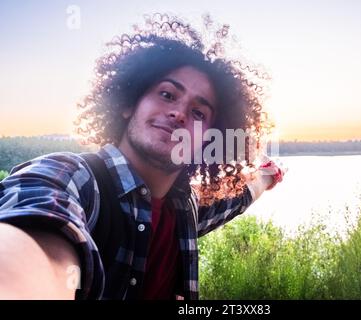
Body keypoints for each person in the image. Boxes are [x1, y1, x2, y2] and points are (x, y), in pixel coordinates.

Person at [0, 14, 285, 300]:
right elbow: (35, 231)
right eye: (167, 94)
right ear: (128, 104)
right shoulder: (74, 179)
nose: (179, 113)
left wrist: (269, 174)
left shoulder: (184, 209)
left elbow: (237, 199)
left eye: (199, 113)